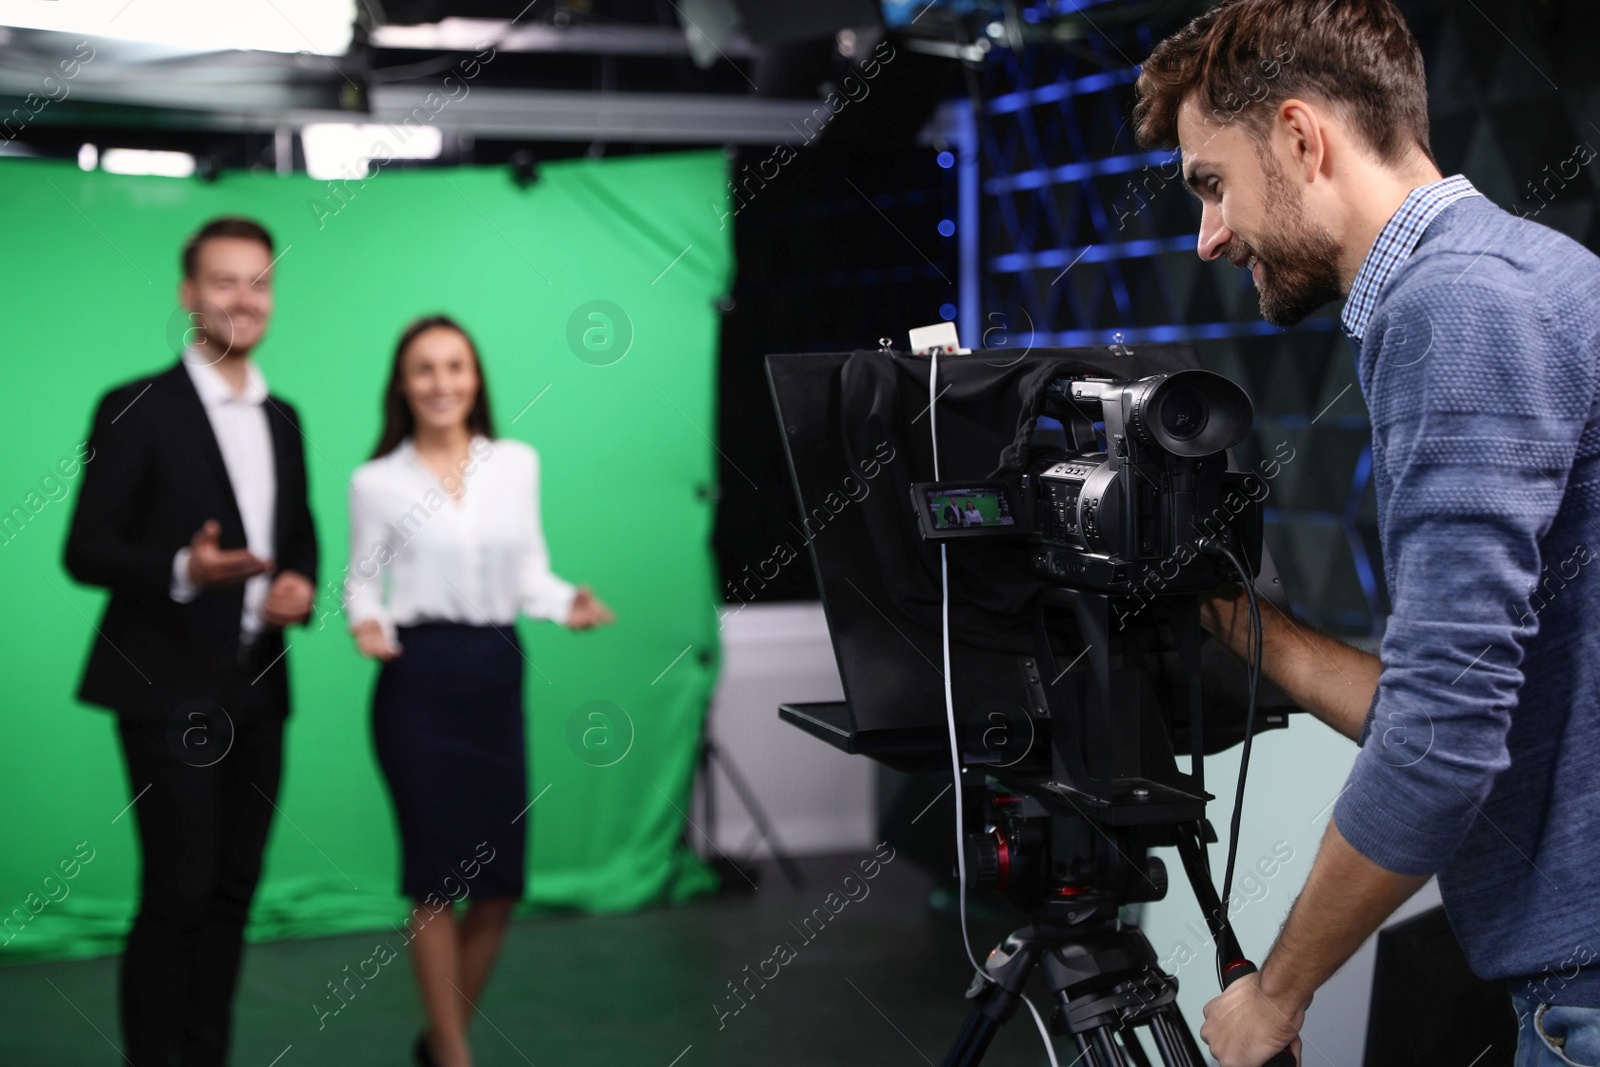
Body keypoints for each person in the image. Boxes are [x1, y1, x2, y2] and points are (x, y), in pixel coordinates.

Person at [1133, 2, 1600, 1064]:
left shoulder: (1456, 308)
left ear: (1301, 137)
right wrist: (1246, 627)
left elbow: (1444, 735)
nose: (1207, 236)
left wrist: (1278, 994)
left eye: (1211, 184)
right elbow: (1479, 703)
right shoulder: (1517, 271)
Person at [64, 216, 318, 1067]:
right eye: (224, 281)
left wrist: (299, 589)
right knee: (175, 891)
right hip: (164, 688)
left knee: (233, 892)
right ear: (188, 294)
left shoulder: (285, 418)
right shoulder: (133, 406)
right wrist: (185, 566)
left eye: (259, 282)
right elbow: (84, 548)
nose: (243, 299)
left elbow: (300, 538)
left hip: (259, 688)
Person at [344, 315, 614, 1067]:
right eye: (424, 369)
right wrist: (365, 624)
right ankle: (457, 1055)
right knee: (435, 881)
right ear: (402, 384)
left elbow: (530, 570)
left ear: (476, 378)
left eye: (455, 367)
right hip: (417, 679)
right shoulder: (376, 480)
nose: (441, 383)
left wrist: (568, 603)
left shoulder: (515, 464)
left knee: (496, 884)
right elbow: (361, 580)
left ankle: (437, 1042)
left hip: (495, 672)